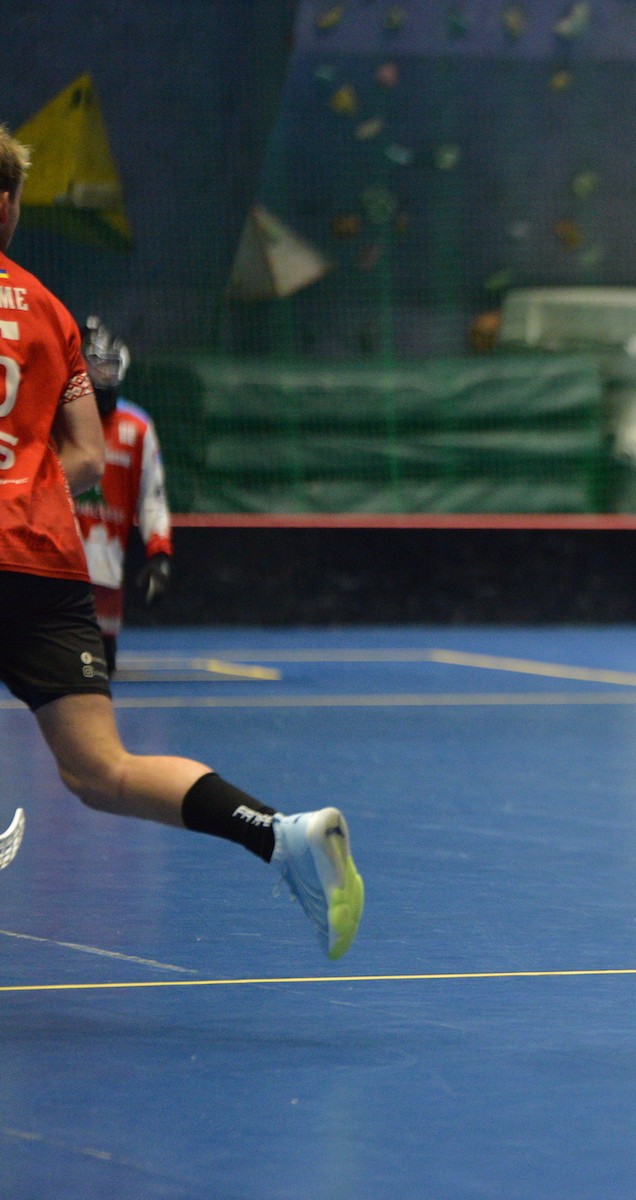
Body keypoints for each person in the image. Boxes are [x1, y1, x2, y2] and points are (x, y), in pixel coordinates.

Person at [0, 124, 364, 957]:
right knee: (102, 769)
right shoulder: (50, 312)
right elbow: (87, 454)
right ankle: (279, 834)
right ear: (10, 208)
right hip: (45, 562)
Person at [73, 317, 172, 674]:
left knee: (100, 671)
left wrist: (159, 554)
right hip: (57, 566)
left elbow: (152, 497)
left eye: (109, 365)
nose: (103, 374)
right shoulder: (58, 417)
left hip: (106, 569)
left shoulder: (137, 427)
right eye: (96, 365)